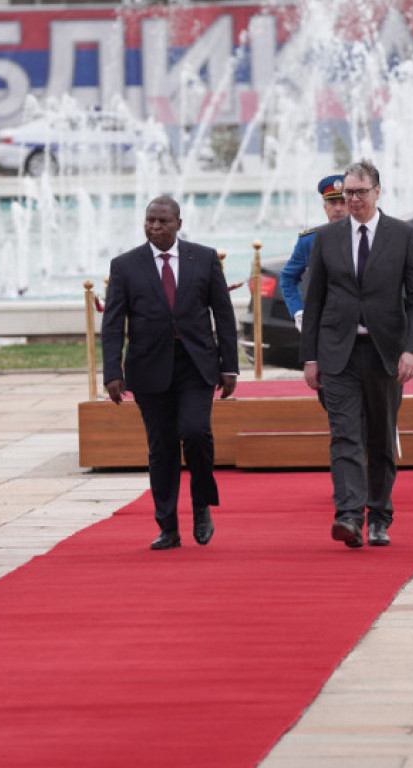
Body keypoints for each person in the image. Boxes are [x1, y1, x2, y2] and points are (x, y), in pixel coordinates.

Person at [300, 159, 413, 549]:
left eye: (359, 192)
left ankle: (379, 516)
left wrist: (412, 350)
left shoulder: (403, 235)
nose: (351, 200)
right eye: (346, 194)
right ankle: (348, 516)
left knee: (379, 437)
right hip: (337, 352)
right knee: (344, 435)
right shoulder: (327, 237)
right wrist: (310, 357)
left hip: (384, 352)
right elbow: (315, 299)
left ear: (377, 192)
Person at [101, 195, 239, 550]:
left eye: (163, 221)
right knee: (161, 447)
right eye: (150, 220)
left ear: (179, 223)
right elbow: (113, 322)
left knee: (196, 433)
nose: (155, 226)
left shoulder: (204, 258)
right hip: (148, 368)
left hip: (196, 364)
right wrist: (112, 372)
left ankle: (201, 504)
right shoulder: (125, 265)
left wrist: (229, 366)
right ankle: (167, 526)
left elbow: (223, 315)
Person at [281, 174, 350, 331]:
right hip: (324, 323)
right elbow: (288, 278)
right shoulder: (309, 240)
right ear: (325, 206)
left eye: (343, 202)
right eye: (332, 202)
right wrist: (298, 311)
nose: (338, 208)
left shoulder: (365, 236)